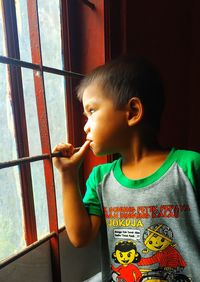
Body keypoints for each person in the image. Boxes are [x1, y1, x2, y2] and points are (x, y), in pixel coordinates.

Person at [53, 56, 200, 282]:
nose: (85, 126)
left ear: (132, 111)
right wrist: (68, 175)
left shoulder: (189, 167)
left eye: (92, 111)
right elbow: (80, 237)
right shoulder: (101, 179)